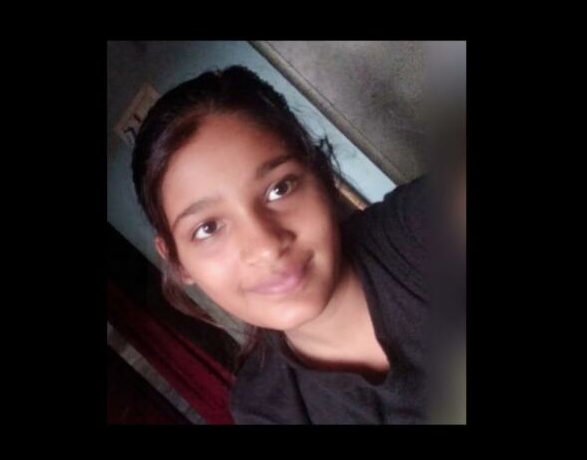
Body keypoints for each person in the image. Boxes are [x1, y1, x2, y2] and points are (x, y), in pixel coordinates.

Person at [131, 65, 439, 424]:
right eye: (208, 228)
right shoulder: (266, 411)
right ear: (178, 262)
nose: (265, 246)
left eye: (279, 189)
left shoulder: (429, 226)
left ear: (322, 176)